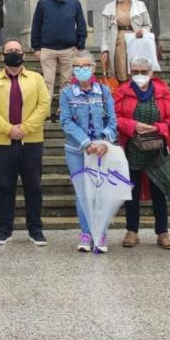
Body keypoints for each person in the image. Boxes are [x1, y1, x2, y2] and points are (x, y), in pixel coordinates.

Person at [0, 41, 50, 246]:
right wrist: (8, 129)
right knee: (5, 186)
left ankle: (35, 229)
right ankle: (4, 229)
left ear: (23, 54)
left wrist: (25, 129)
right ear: (2, 55)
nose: (13, 53)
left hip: (32, 141)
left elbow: (44, 105)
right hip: (3, 142)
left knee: (34, 186)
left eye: (17, 51)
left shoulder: (36, 78)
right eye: (9, 51)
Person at [114, 56, 170, 249]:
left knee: (159, 190)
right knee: (131, 191)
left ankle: (163, 232)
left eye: (144, 72)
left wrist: (158, 128)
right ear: (130, 73)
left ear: (151, 73)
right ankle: (132, 230)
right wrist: (133, 125)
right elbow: (114, 117)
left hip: (157, 149)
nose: (140, 75)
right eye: (135, 72)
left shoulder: (162, 92)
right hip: (132, 147)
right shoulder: (122, 92)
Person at [59, 50, 117, 253]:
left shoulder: (104, 91)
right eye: (78, 66)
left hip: (101, 150)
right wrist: (86, 142)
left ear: (93, 68)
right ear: (73, 69)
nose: (82, 69)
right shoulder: (67, 93)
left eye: (86, 66)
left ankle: (100, 232)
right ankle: (85, 231)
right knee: (82, 193)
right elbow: (66, 121)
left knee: (100, 192)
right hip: (76, 150)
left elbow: (112, 120)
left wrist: (103, 140)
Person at [32, 0, 87, 121]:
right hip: (47, 49)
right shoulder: (42, 3)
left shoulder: (74, 3)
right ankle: (45, 112)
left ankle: (63, 110)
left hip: (69, 49)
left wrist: (80, 45)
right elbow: (36, 25)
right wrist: (36, 47)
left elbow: (81, 24)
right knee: (47, 82)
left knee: (67, 81)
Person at [100, 0, 152, 83]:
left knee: (136, 68)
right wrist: (105, 49)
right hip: (118, 41)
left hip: (136, 40)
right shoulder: (108, 8)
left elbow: (147, 25)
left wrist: (142, 31)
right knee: (120, 69)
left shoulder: (139, 5)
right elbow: (104, 31)